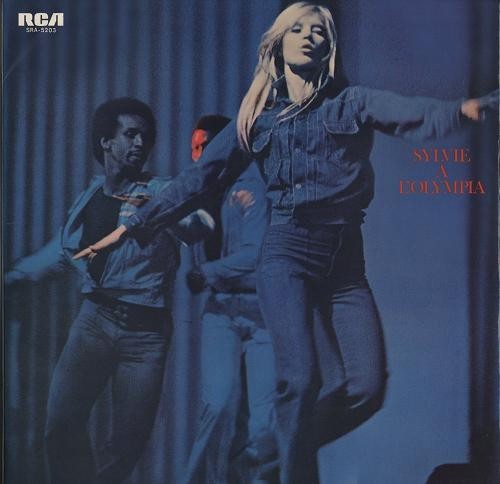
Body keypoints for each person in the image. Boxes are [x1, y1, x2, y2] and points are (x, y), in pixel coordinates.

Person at [74, 3, 497, 483]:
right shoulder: (259, 119)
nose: (310, 35)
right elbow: (200, 177)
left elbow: (405, 111)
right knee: (300, 381)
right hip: (288, 257)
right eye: (298, 28)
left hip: (344, 265)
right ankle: (287, 470)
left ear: (329, 46)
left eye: (320, 30)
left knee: (365, 387)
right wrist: (134, 226)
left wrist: (464, 110)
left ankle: (264, 454)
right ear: (279, 44)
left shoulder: (351, 103)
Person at [6, 97, 214, 484]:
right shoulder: (89, 197)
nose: (140, 144)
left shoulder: (160, 191)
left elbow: (195, 222)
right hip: (95, 322)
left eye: (145, 137)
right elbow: (65, 251)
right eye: (130, 134)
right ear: (105, 141)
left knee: (129, 443)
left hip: (146, 334)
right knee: (61, 423)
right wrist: (18, 275)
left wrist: (187, 215)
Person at [183, 114, 277, 484]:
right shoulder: (203, 192)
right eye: (195, 148)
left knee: (262, 420)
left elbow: (255, 254)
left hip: (261, 312)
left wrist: (206, 272)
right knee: (217, 406)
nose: (199, 156)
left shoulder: (251, 188)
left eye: (206, 147)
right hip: (221, 309)